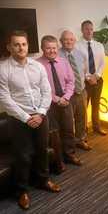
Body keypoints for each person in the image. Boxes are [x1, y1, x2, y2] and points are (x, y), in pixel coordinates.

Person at [0, 31, 61, 210]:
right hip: (19, 120)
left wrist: (41, 113)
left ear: (28, 46)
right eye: (16, 44)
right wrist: (27, 118)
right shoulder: (3, 69)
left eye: (24, 44)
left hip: (41, 116)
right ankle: (22, 191)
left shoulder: (37, 66)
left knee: (42, 150)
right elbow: (5, 99)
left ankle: (43, 180)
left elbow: (46, 91)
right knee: (23, 155)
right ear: (9, 47)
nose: (21, 48)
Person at [38, 35, 82, 170]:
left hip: (66, 100)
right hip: (48, 104)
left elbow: (71, 81)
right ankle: (58, 160)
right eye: (48, 48)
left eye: (54, 48)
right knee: (54, 133)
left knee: (68, 130)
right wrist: (56, 99)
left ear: (57, 47)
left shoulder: (64, 62)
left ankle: (69, 155)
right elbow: (39, 86)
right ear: (42, 48)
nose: (52, 50)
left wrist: (67, 97)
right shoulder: (37, 65)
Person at [59, 30, 92, 151]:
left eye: (71, 39)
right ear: (61, 41)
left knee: (82, 118)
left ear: (75, 41)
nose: (69, 42)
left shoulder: (80, 54)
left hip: (81, 91)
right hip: (67, 94)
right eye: (66, 39)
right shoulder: (57, 56)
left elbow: (84, 71)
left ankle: (80, 140)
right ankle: (68, 145)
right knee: (67, 121)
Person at [76, 20, 107, 136]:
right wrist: (88, 77)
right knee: (84, 108)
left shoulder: (99, 45)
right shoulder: (77, 46)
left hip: (98, 80)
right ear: (82, 30)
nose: (89, 31)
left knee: (96, 104)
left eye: (91, 29)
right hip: (84, 82)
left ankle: (96, 127)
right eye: (86, 29)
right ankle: (83, 131)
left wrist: (97, 75)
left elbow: (103, 62)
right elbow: (77, 65)